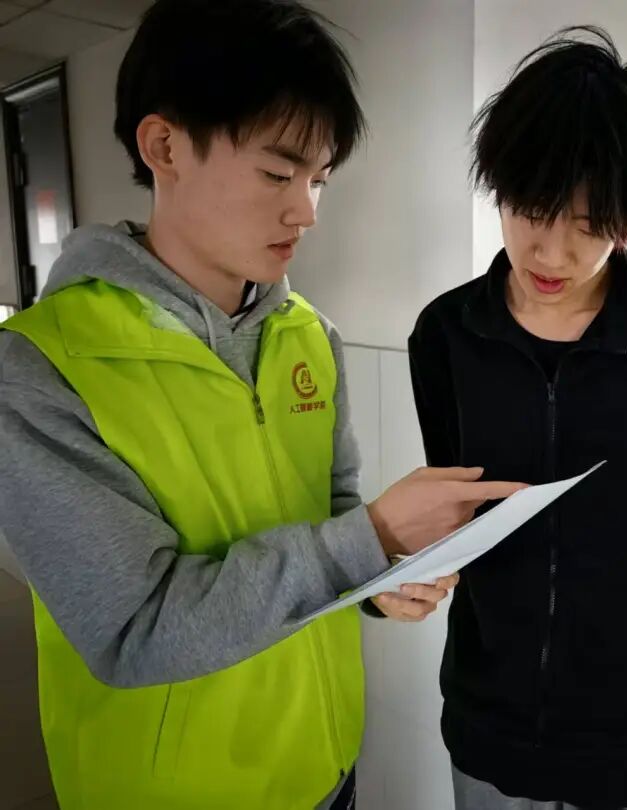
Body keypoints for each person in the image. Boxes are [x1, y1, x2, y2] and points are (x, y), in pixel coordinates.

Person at [0, 2, 524, 808]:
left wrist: (381, 577)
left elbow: (333, 511)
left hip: (327, 765)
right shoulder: (41, 367)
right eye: (279, 174)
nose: (306, 211)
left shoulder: (309, 336)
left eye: (319, 180)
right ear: (164, 146)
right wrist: (368, 540)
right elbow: (135, 627)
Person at [409, 28, 627, 810]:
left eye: (589, 223)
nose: (550, 252)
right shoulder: (447, 334)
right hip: (489, 720)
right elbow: (458, 505)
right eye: (530, 209)